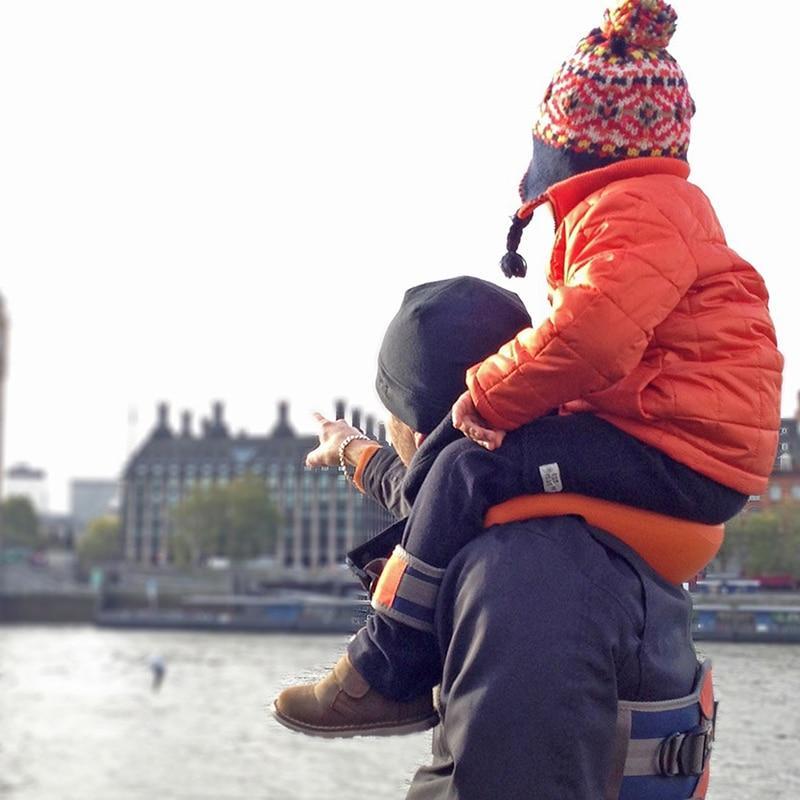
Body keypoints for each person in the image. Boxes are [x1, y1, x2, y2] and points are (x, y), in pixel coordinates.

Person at [275, 0, 782, 736]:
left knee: (469, 465)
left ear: (573, 149)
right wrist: (358, 452)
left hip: (680, 451)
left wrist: (481, 397)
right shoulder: (660, 209)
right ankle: (391, 664)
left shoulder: (632, 214)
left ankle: (385, 670)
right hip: (685, 442)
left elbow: (590, 337)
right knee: (467, 466)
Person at [274, 276, 719, 799]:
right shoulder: (554, 506)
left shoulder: (522, 579)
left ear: (422, 436)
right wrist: (352, 450)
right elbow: (432, 495)